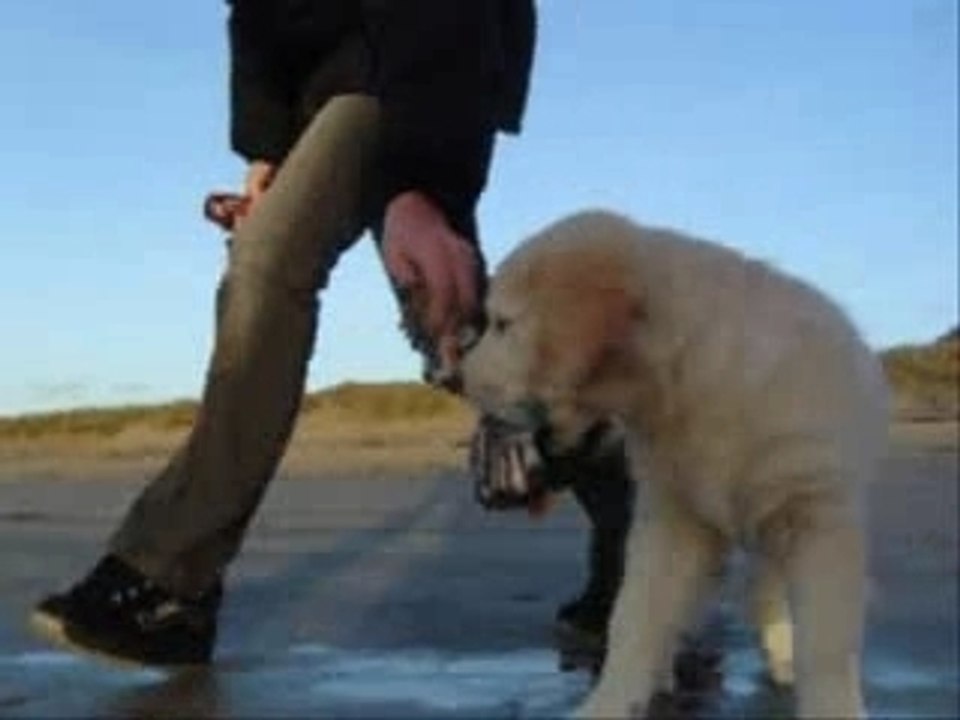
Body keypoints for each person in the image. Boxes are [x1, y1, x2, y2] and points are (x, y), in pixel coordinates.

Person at [30, 0, 632, 667]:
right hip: (343, 79)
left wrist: (418, 182)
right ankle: (622, 481)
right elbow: (261, 21)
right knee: (454, 326)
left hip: (427, 61)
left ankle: (167, 578)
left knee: (274, 264)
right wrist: (266, 152)